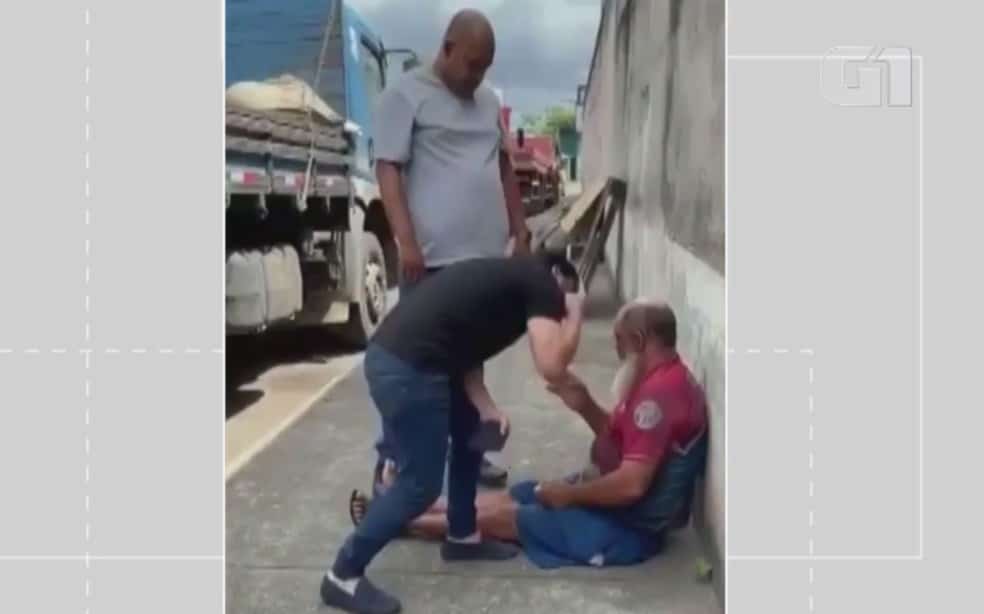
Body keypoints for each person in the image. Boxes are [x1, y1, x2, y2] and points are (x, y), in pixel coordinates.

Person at [346, 301, 709, 570]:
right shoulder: (653, 379)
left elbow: (631, 484)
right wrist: (583, 404)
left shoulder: (660, 395)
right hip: (616, 500)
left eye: (619, 341)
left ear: (640, 338)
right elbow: (618, 443)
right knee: (523, 494)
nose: (615, 351)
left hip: (631, 525)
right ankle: (417, 506)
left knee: (520, 517)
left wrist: (570, 495)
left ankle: (400, 520)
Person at [320, 253, 584, 614]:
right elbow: (552, 366)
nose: (557, 316)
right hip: (408, 370)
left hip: (410, 360)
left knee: (473, 430)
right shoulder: (541, 283)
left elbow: (464, 346)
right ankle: (342, 574)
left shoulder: (509, 283)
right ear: (558, 276)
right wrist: (575, 311)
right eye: (558, 309)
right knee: (420, 484)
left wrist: (485, 404)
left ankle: (463, 535)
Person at [371, 9, 528, 490]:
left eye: (484, 68)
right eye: (471, 64)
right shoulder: (405, 95)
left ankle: (469, 454)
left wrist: (519, 230)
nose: (476, 76)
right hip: (432, 264)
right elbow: (388, 171)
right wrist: (406, 243)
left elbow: (503, 167)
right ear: (447, 48)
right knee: (419, 370)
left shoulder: (486, 102)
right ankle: (394, 462)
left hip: (480, 263)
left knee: (470, 364)